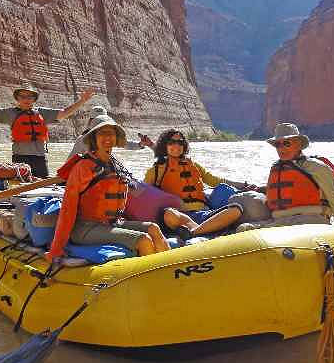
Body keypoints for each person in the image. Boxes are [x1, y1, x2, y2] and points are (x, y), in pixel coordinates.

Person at [44, 113, 170, 263]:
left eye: (111, 133)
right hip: (85, 228)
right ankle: (153, 281)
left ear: (116, 137)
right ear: (93, 137)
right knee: (143, 240)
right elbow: (67, 209)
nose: (108, 137)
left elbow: (133, 191)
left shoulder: (115, 164)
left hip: (113, 223)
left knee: (153, 228)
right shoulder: (83, 167)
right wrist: (57, 248)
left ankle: (170, 271)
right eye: (102, 133)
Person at [0, 78, 95, 177]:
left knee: (41, 188)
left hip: (40, 159)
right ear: (18, 98)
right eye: (23, 96)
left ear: (34, 99)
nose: (27, 99)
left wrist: (82, 101)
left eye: (30, 97)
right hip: (20, 159)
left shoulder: (42, 113)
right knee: (22, 191)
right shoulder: (11, 114)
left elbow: (65, 112)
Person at [241, 123, 334, 232]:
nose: (281, 148)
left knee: (248, 229)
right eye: (277, 144)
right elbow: (286, 191)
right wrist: (261, 190)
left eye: (286, 143)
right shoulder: (277, 167)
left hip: (310, 221)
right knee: (243, 227)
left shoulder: (317, 167)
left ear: (299, 144)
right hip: (280, 221)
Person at [144, 129, 253, 240]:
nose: (177, 145)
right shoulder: (156, 170)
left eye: (180, 142)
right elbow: (143, 194)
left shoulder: (193, 165)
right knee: (168, 214)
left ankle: (194, 232)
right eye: (172, 142)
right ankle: (209, 230)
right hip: (180, 216)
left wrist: (243, 185)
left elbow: (215, 180)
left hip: (203, 214)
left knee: (236, 209)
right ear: (164, 145)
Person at [67, 106, 155, 159]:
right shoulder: (83, 139)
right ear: (90, 121)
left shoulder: (107, 139)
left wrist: (141, 144)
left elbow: (126, 144)